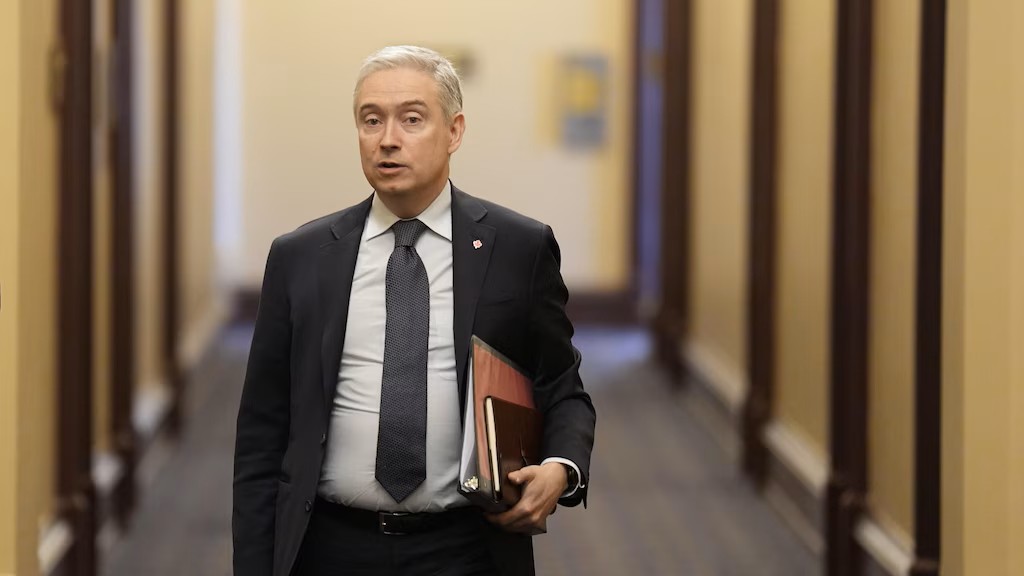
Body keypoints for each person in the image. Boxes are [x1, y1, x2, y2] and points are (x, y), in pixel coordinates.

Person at [232, 45, 596, 576]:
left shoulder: (518, 248)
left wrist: (562, 468)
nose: (387, 139)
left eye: (412, 119)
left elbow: (562, 387)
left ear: (454, 132)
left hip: (465, 546)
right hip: (328, 544)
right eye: (371, 120)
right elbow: (261, 431)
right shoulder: (301, 257)